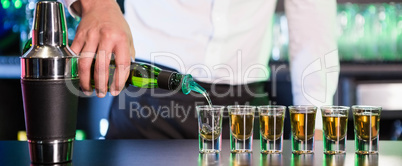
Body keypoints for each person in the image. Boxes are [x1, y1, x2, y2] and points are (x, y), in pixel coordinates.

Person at [62, 0, 339, 139]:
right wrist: (96, 3)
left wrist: (313, 130)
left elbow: (313, 22)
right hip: (148, 99)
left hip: (244, 112)